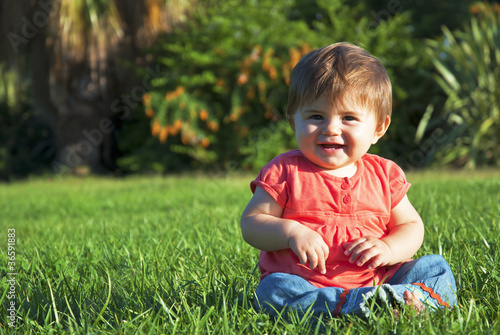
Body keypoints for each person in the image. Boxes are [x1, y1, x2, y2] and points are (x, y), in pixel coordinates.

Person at [240, 42, 457, 318]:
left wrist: (389, 248)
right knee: (274, 289)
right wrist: (292, 232)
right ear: (294, 122)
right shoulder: (284, 171)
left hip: (379, 281)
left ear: (379, 128)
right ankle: (353, 306)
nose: (330, 128)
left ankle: (408, 300)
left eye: (349, 118)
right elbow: (251, 224)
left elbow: (411, 225)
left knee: (435, 266)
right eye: (316, 116)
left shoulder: (384, 174)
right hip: (308, 284)